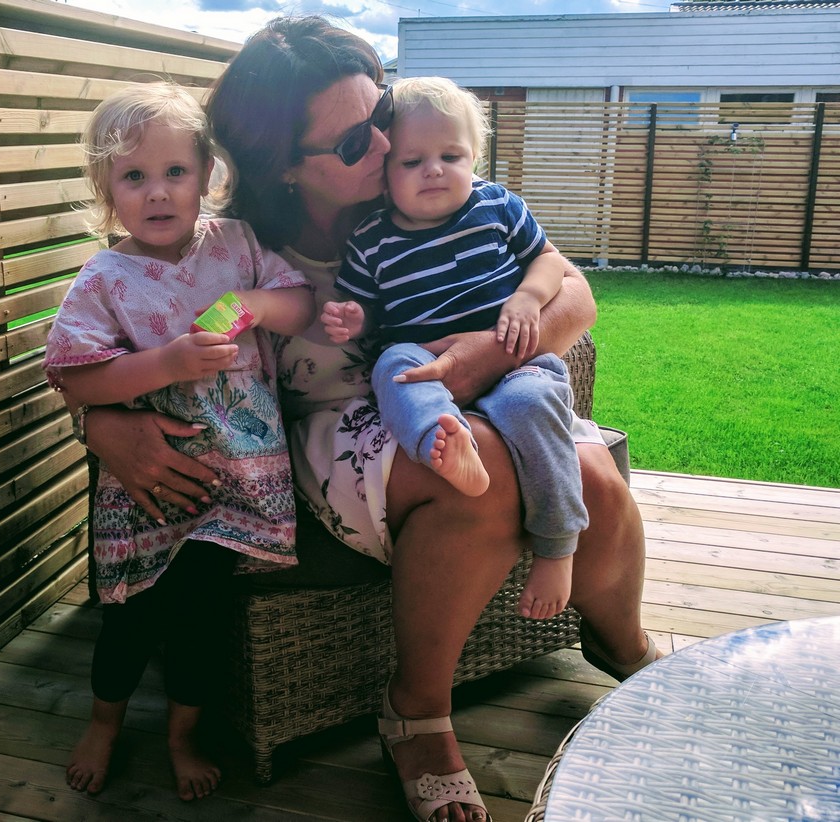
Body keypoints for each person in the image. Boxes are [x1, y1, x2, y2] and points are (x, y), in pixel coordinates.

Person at [78, 17, 661, 822]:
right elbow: (120, 336)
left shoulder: (434, 188)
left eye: (381, 115)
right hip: (338, 424)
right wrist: (99, 423)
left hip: (482, 384)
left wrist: (484, 356)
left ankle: (624, 646)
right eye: (357, 142)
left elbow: (575, 295)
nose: (390, 146)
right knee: (479, 466)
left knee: (593, 471)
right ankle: (416, 714)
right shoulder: (228, 247)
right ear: (285, 167)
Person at [42, 82, 315, 801]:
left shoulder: (237, 245)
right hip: (147, 489)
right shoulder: (105, 278)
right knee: (128, 618)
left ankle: (181, 735)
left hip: (237, 486)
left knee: (199, 619)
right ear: (106, 190)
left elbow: (300, 304)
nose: (158, 192)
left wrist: (253, 304)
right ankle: (103, 723)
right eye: (134, 176)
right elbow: (76, 377)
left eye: (175, 172)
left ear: (205, 175)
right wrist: (164, 364)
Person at [321, 76, 588, 621]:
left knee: (533, 404)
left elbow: (548, 261)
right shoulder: (372, 239)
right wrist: (353, 317)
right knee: (393, 366)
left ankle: (557, 546)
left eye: (451, 156)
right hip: (425, 361)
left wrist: (528, 299)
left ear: (475, 159)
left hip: (513, 358)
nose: (434, 170)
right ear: (385, 172)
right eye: (412, 161)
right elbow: (365, 307)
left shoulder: (498, 206)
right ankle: (442, 443)